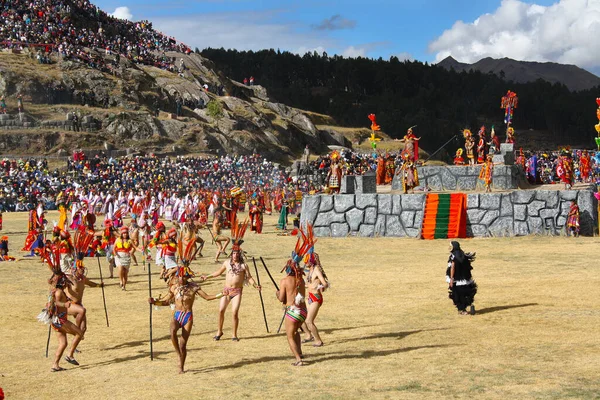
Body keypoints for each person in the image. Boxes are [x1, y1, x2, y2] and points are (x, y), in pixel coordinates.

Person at [149, 260, 222, 373]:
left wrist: (221, 294)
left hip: (187, 316)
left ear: (187, 278)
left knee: (183, 344)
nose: (180, 279)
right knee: (172, 330)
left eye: (183, 277)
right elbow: (166, 301)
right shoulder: (174, 288)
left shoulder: (194, 288)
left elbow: (207, 297)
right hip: (177, 314)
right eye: (179, 276)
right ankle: (178, 353)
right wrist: (155, 302)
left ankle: (181, 366)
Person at [201, 218, 260, 341]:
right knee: (221, 310)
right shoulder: (227, 263)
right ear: (231, 254)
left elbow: (249, 278)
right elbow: (218, 272)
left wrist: (256, 285)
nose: (235, 255)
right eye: (233, 253)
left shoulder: (244, 266)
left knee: (234, 313)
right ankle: (219, 331)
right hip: (226, 291)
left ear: (239, 255)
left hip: (237, 291)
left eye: (237, 254)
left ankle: (234, 334)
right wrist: (207, 276)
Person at [38, 250, 84, 371]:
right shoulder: (58, 292)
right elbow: (56, 303)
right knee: (80, 333)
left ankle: (55, 365)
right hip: (60, 320)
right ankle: (70, 355)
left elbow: (74, 297)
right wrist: (65, 304)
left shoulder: (56, 291)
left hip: (57, 320)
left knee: (63, 343)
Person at [276, 233, 310, 366]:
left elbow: (282, 298)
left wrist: (277, 293)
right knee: (296, 332)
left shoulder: (284, 281)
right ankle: (300, 352)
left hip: (292, 312)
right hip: (303, 312)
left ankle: (298, 359)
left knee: (290, 336)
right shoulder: (300, 280)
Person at [300, 227, 329, 347]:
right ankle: (308, 335)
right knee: (301, 318)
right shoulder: (309, 271)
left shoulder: (316, 270)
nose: (305, 262)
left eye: (306, 260)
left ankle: (318, 340)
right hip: (309, 297)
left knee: (309, 321)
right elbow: (308, 283)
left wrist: (320, 287)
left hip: (316, 298)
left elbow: (325, 283)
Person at [446, 241, 477, 315]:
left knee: (458, 295)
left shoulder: (454, 256)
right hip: (466, 279)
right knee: (466, 293)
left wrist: (451, 279)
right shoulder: (463, 255)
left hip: (457, 279)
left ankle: (463, 310)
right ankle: (469, 306)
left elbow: (453, 267)